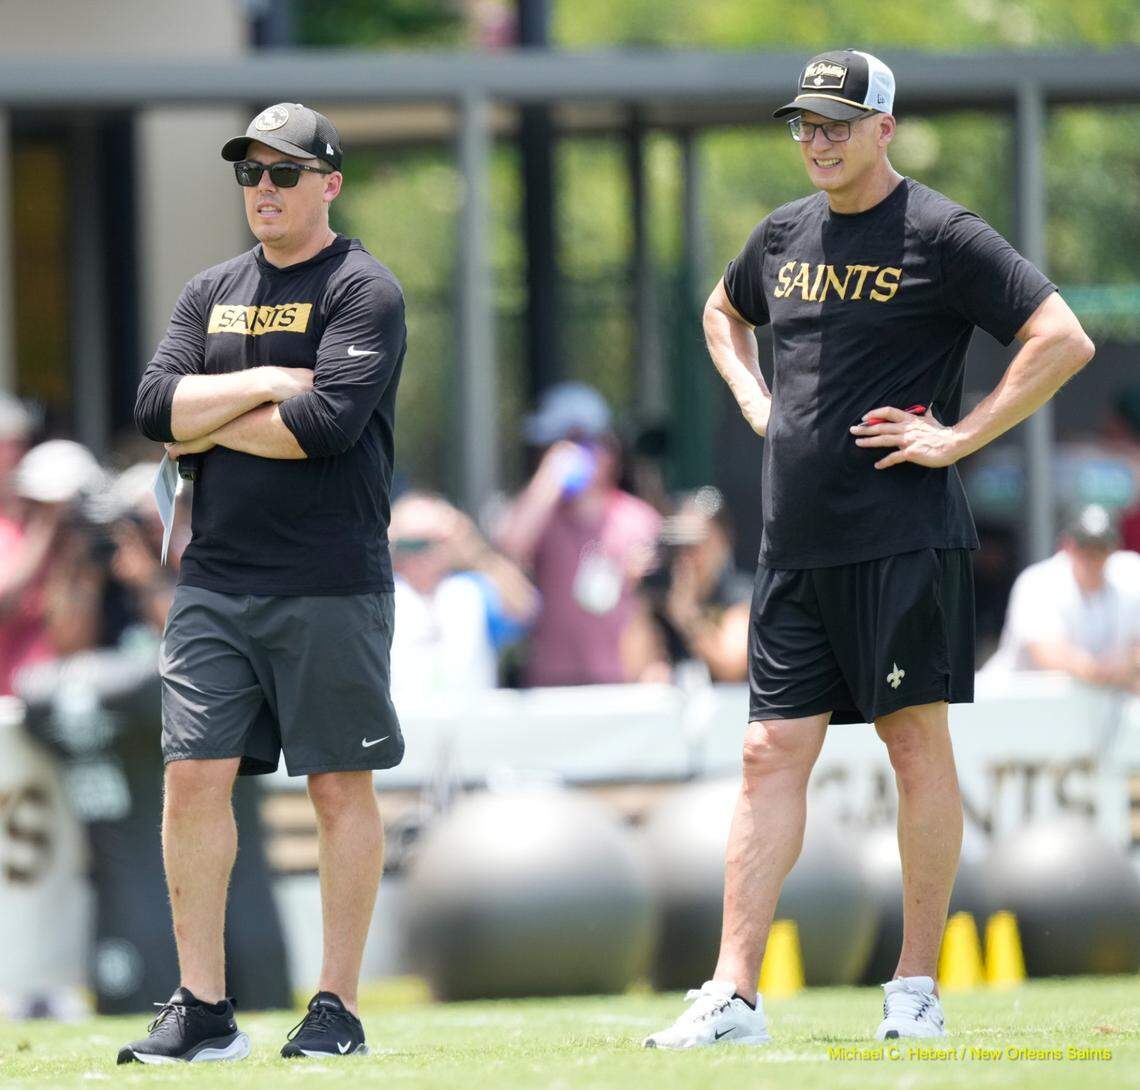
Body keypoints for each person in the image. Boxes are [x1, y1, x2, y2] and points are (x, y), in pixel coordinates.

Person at [645, 49, 1094, 1049]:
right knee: (767, 752)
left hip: (903, 542)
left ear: (883, 128)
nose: (817, 140)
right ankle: (734, 995)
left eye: (837, 124)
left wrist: (960, 436)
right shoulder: (782, 234)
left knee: (913, 746)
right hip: (794, 549)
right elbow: (722, 312)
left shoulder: (941, 232)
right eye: (805, 124)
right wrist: (755, 397)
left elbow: (1062, 336)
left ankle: (915, 989)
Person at [123, 103, 406, 1064]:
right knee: (191, 777)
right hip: (215, 578)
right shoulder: (211, 290)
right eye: (251, 173)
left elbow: (324, 427)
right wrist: (271, 382)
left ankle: (337, 1006)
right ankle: (203, 1009)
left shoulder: (364, 288)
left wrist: (206, 419)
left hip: (331, 578)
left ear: (330, 183)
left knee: (337, 787)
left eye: (285, 173)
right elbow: (153, 408)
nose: (265, 190)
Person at [497, 382, 660, 686]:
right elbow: (509, 550)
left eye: (573, 445)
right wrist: (548, 481)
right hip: (552, 684)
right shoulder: (541, 513)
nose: (557, 456)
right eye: (550, 448)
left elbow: (660, 605)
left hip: (622, 682)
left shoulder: (638, 519)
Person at [390, 491, 538, 693]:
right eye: (411, 545)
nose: (422, 556)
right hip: (404, 711)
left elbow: (524, 606)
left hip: (469, 711)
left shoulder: (470, 591)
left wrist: (471, 547)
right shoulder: (381, 598)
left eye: (433, 543)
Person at [983, 505, 1140, 686]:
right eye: (1084, 545)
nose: (1092, 555)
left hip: (1090, 698)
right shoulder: (1038, 581)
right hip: (1013, 695)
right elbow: (1046, 653)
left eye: (1101, 547)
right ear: (1067, 545)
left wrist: (1127, 664)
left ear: (1114, 549)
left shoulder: (1129, 574)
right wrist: (1102, 669)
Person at [627, 486, 752, 683]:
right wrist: (640, 594)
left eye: (696, 544)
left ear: (722, 541)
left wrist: (687, 617)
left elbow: (732, 666)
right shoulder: (661, 598)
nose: (687, 556)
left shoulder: (737, 594)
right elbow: (634, 668)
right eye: (680, 545)